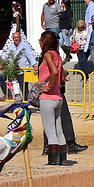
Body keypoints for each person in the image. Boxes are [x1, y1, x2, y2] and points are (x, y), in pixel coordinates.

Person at [37, 30, 74, 166]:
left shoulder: (47, 55)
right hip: (58, 96)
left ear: (45, 42)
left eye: (41, 40)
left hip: (48, 97)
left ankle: (53, 160)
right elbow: (62, 73)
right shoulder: (57, 55)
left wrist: (49, 86)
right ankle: (62, 157)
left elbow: (54, 71)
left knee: (50, 130)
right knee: (59, 129)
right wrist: (57, 82)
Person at [0, 27, 38, 98]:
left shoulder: (25, 45)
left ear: (20, 37)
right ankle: (8, 94)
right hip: (13, 71)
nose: (16, 39)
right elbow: (6, 56)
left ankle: (26, 106)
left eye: (17, 37)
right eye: (14, 38)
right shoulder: (11, 47)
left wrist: (34, 65)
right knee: (0, 78)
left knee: (24, 89)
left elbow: (30, 55)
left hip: (23, 71)